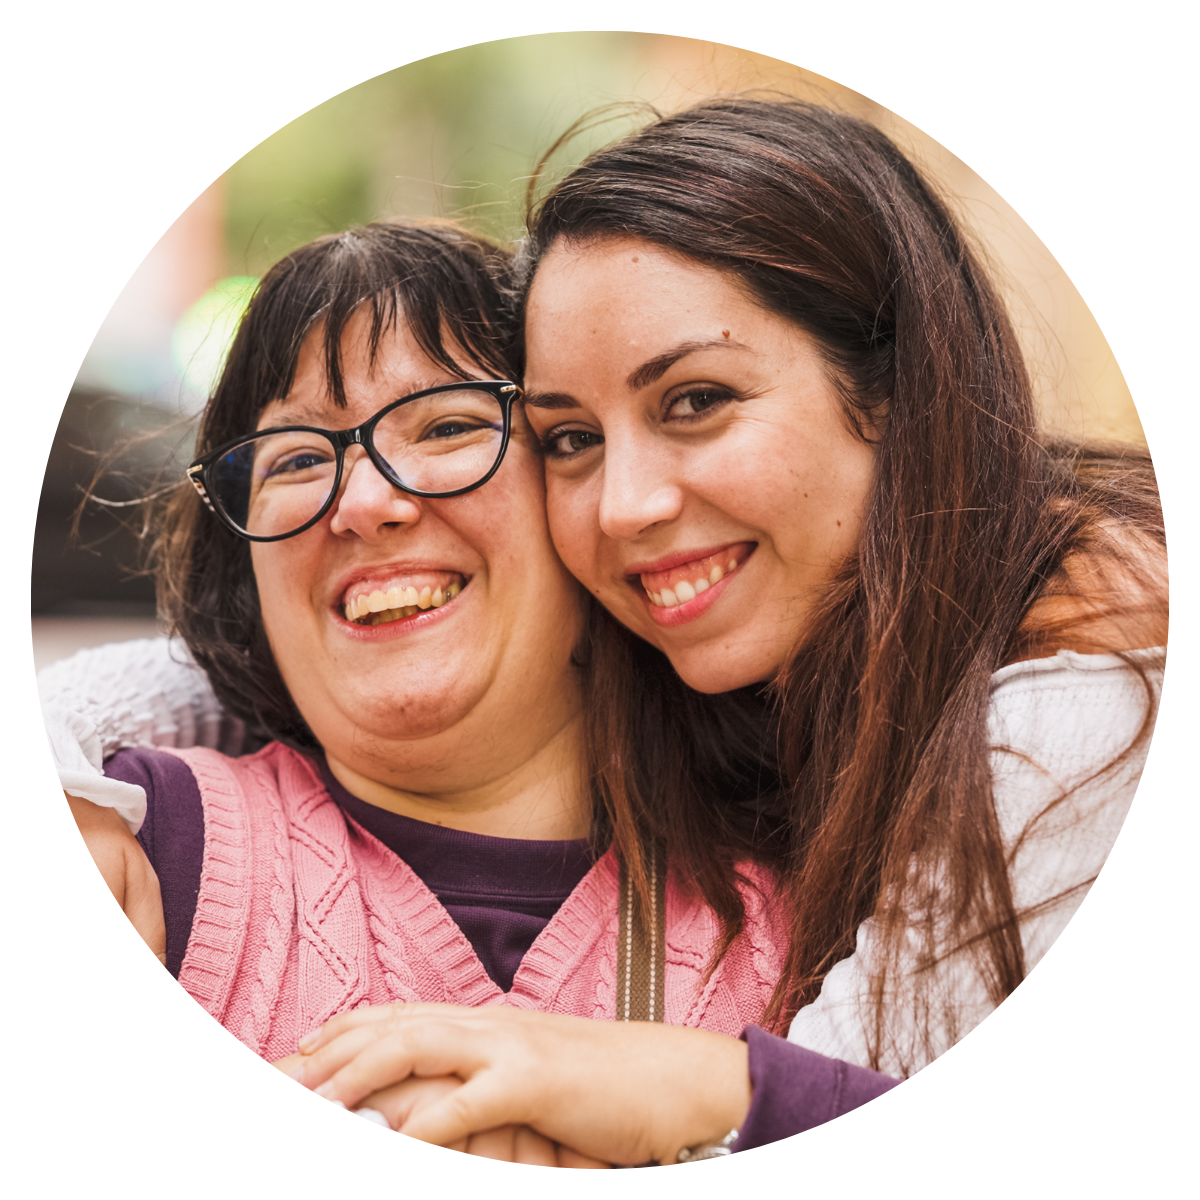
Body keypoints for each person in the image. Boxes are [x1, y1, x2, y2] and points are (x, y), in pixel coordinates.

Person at [278, 98, 1166, 1163]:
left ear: (893, 389)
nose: (623, 507)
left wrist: (697, 1081)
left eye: (695, 400)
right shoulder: (793, 649)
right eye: (569, 437)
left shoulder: (1085, 702)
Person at [44, 216, 897, 1167]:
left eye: (447, 426)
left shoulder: (842, 894)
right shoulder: (128, 848)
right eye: (294, 458)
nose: (365, 503)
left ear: (579, 492)